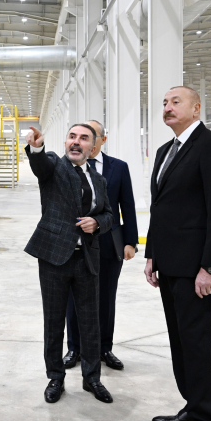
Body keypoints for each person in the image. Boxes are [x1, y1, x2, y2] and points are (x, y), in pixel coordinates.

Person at [144, 86, 211, 421]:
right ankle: (192, 407)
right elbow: (161, 208)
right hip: (169, 265)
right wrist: (152, 254)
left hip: (195, 267)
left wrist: (210, 267)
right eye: (165, 103)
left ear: (196, 108)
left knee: (195, 345)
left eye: (175, 102)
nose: (167, 107)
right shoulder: (166, 151)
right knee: (180, 342)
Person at [24, 124, 114, 405]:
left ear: (93, 147)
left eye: (84, 138)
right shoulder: (54, 166)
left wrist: (96, 222)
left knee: (90, 322)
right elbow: (40, 164)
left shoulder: (98, 180)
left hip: (87, 258)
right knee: (54, 322)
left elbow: (109, 214)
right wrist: (36, 148)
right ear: (65, 142)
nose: (76, 142)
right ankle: (55, 377)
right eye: (72, 137)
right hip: (54, 257)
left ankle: (92, 378)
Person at [63, 120, 138, 372]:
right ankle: (74, 348)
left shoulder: (118, 167)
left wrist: (130, 242)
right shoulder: (68, 166)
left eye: (90, 136)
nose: (83, 141)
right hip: (76, 244)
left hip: (108, 244)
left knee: (106, 298)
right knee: (74, 298)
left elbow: (127, 206)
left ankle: (105, 347)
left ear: (101, 140)